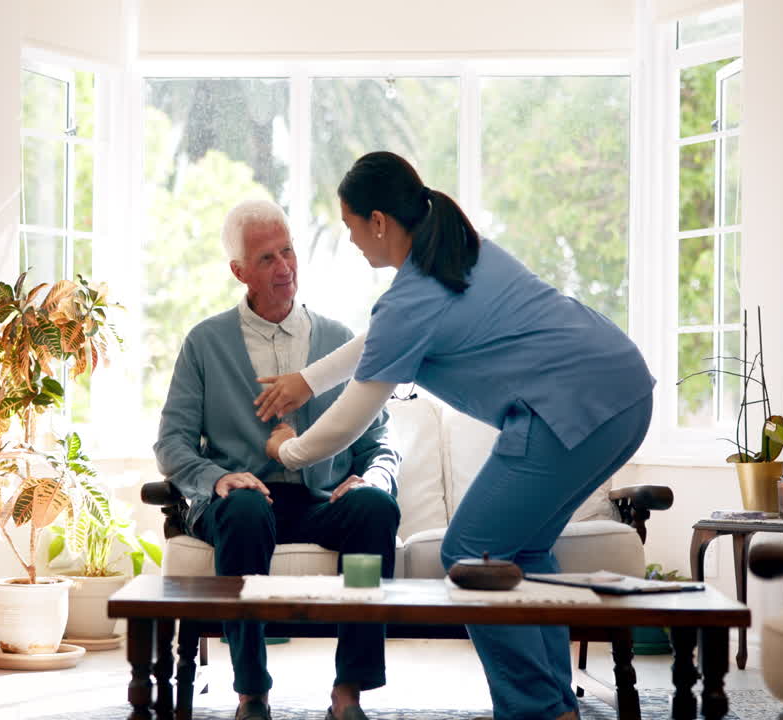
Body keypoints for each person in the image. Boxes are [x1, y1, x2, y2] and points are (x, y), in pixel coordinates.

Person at [259, 152, 654, 720]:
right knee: (521, 550)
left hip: (571, 408)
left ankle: (541, 712)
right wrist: (307, 380)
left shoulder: (413, 295)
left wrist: (288, 450)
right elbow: (383, 337)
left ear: (378, 221)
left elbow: (349, 420)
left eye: (350, 225)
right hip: (625, 390)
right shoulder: (457, 252)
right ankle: (554, 705)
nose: (350, 240)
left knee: (470, 553)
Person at [154, 199, 402, 720]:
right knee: (244, 508)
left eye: (287, 251)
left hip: (319, 500)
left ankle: (349, 689)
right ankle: (252, 691)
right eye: (266, 258)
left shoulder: (338, 341)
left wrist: (374, 478)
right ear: (239, 271)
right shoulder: (205, 343)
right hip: (240, 504)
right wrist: (217, 478)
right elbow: (172, 443)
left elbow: (380, 441)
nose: (284, 266)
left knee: (375, 509)